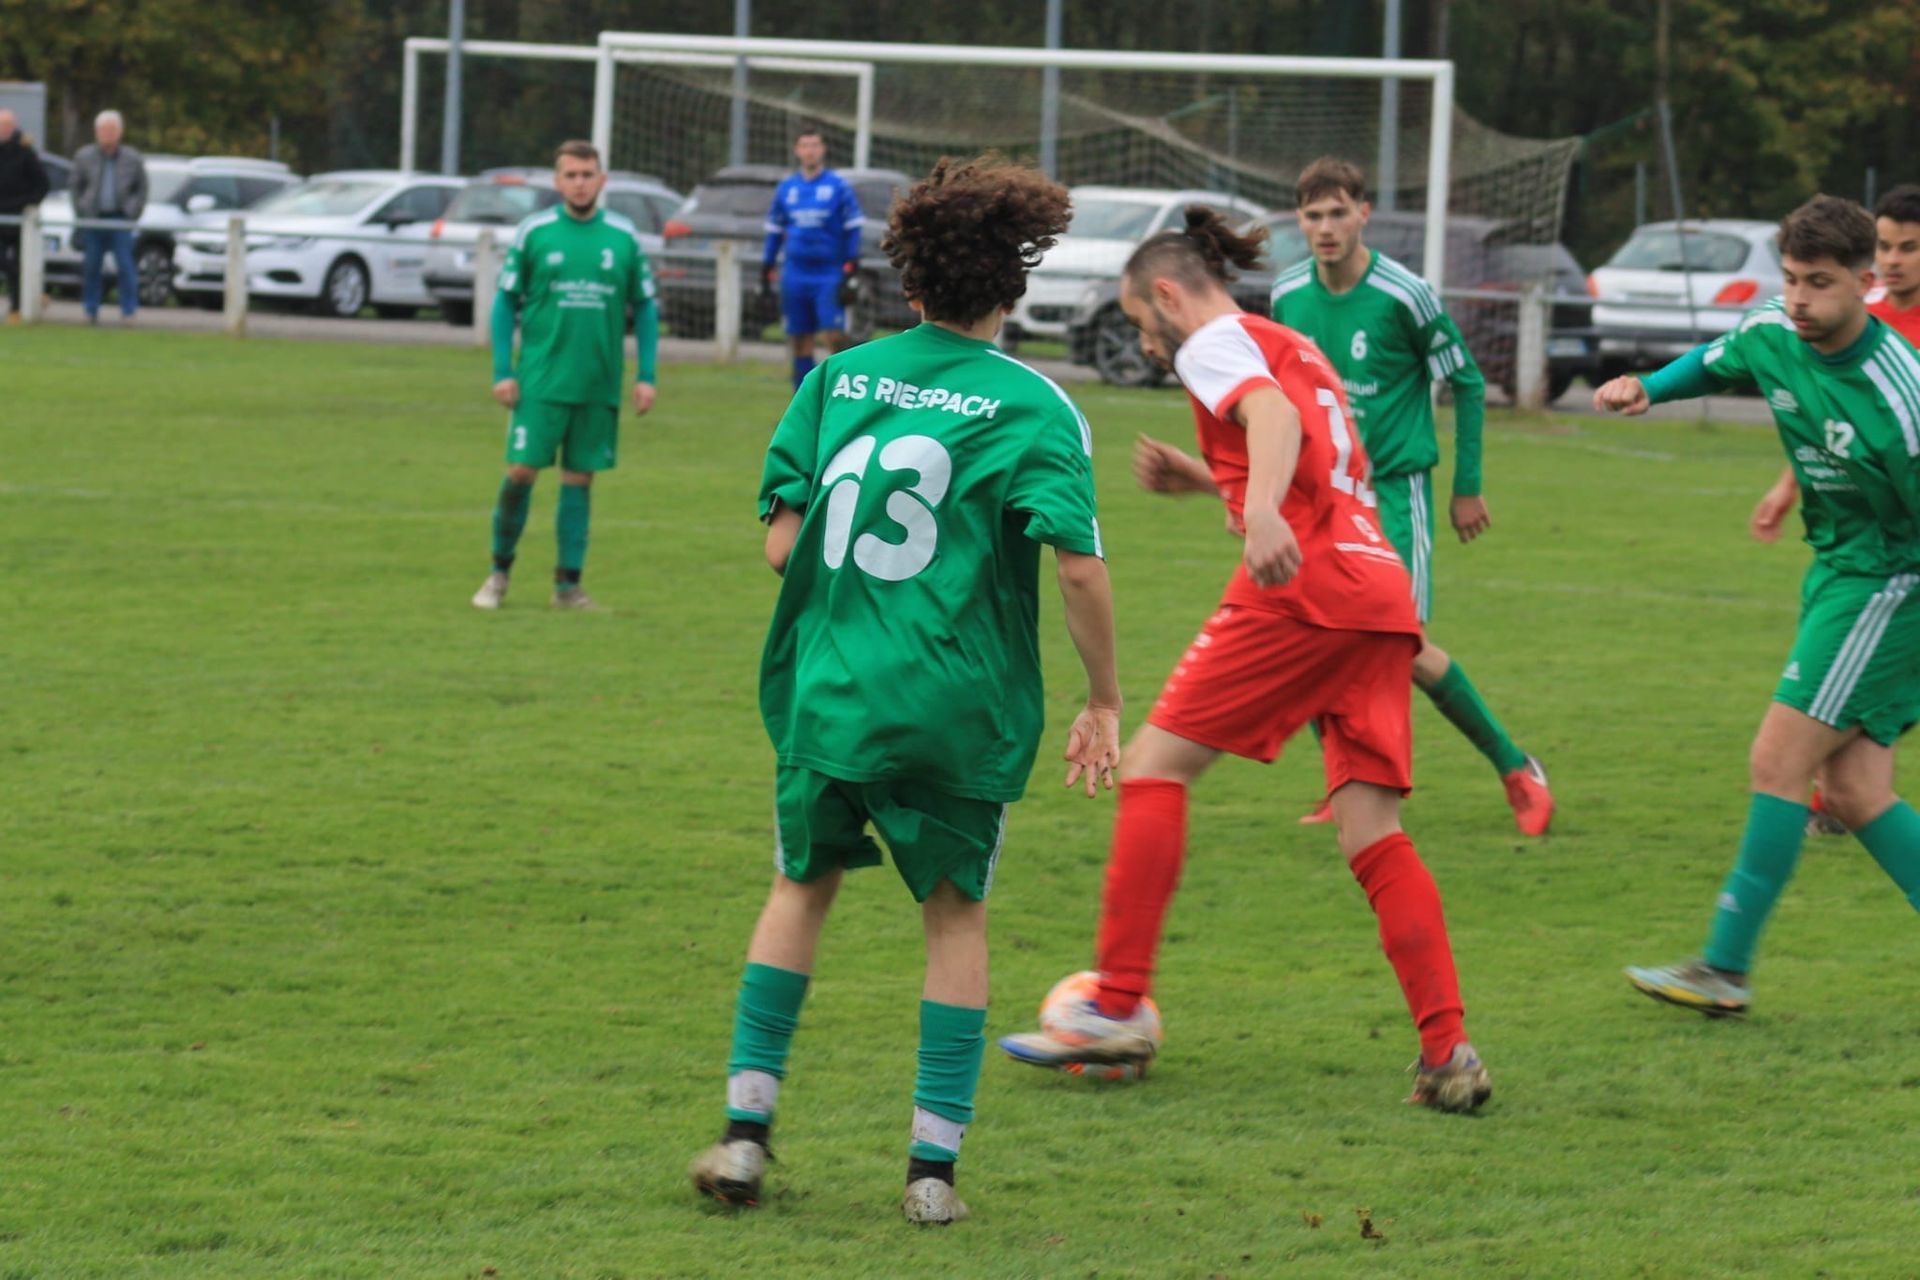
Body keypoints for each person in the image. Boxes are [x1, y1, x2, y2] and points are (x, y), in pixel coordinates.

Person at [689, 156, 1123, 1224]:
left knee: (800, 888)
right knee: (955, 917)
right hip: (955, 707)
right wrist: (1104, 699)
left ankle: (744, 1137)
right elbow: (1077, 568)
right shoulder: (1035, 405)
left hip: (831, 693)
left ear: (911, 279)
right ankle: (932, 1173)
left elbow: (782, 546)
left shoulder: (836, 380)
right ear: (1012, 284)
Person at [997, 207, 1492, 1114]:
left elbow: (1270, 418)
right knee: (1372, 833)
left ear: (1169, 295)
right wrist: (1212, 480)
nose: (1148, 345)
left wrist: (1259, 511)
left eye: (1143, 323)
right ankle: (1448, 1053)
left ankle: (1114, 1006)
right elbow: (1313, 450)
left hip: (1306, 590)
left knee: (1152, 767)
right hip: (1378, 595)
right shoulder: (1290, 343)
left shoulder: (1213, 342)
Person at [1594, 195, 1920, 1018]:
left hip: (1892, 583)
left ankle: (1725, 966)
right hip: (1840, 569)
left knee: (1778, 759)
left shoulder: (1901, 395)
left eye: (1820, 283)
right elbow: (1720, 359)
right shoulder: (1776, 328)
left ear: (1865, 282)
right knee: (1855, 791)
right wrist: (1648, 387)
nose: (1800, 300)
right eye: (1791, 279)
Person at [1270, 157, 1553, 836]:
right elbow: (1281, 400)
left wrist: (1467, 487)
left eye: (1339, 213)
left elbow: (1468, 381)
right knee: (1310, 636)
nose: (1326, 227)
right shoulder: (1287, 295)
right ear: (1299, 221)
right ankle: (1345, 783)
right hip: (1319, 496)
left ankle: (1517, 768)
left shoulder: (1406, 295)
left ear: (1363, 214)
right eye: (1314, 215)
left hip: (1395, 493)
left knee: (1402, 645)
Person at [1746, 183, 1920, 836]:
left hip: (1896, 562)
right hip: (1854, 546)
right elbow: (1834, 423)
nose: (1895, 259)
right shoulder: (1848, 317)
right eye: (1887, 245)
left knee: (1795, 745)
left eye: (1909, 248)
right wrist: (1788, 485)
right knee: (1854, 774)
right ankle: (1839, 794)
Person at [471, 140, 659, 612]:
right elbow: (505, 302)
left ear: (601, 180)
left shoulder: (622, 236)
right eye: (571, 175)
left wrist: (646, 375)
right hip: (540, 381)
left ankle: (568, 587)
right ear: (557, 182)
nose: (579, 183)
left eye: (587, 174)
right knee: (520, 471)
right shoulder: (535, 232)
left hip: (598, 382)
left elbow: (645, 307)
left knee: (580, 480)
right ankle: (497, 574)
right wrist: (502, 370)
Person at [761, 129, 864, 389]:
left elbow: (853, 228)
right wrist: (766, 267)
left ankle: (841, 395)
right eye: (805, 145)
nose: (810, 151)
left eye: (815, 145)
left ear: (823, 149)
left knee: (834, 335)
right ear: (797, 150)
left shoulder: (838, 186)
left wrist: (851, 265)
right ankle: (803, 399)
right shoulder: (787, 188)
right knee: (800, 339)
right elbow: (774, 231)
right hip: (795, 273)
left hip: (829, 273)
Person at [70, 109, 147, 324]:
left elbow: (141, 188)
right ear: (97, 132)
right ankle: (90, 309)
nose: (108, 134)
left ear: (120, 132)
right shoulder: (84, 156)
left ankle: (129, 311)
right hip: (93, 220)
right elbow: (75, 187)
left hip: (120, 220)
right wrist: (82, 211)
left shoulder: (132, 158)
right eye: (104, 130)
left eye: (112, 130)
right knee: (91, 266)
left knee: (125, 266)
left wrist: (132, 212)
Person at [0, 109, 50, 323]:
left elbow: (42, 184)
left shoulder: (25, 152)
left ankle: (17, 308)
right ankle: (32, 295)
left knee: (21, 262)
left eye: (6, 125)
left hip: (20, 220)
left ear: (13, 127)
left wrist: (28, 205)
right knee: (8, 264)